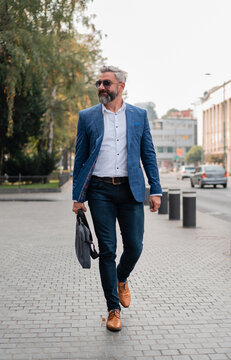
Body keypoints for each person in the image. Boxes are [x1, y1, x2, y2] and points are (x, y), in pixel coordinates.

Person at [72, 65, 162, 331]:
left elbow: (149, 154)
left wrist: (155, 189)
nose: (101, 87)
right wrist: (78, 197)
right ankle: (113, 309)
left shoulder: (138, 115)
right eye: (99, 83)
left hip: (130, 190)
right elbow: (80, 158)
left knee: (134, 246)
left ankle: (121, 278)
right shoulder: (87, 117)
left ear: (121, 86)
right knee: (108, 250)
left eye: (106, 83)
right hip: (100, 191)